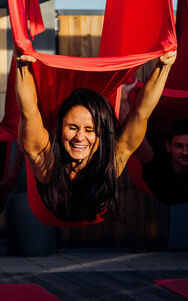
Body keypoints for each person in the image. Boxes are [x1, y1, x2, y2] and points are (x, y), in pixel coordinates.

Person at [15, 50, 176, 222]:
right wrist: (22, 66)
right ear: (59, 129)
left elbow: (141, 113)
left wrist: (164, 65)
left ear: (101, 134)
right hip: (48, 208)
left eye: (90, 130)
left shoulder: (110, 160)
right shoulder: (47, 164)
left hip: (95, 208)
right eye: (73, 127)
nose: (80, 137)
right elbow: (29, 112)